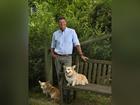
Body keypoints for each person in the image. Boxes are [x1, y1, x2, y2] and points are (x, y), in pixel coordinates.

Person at [51, 16, 88, 103]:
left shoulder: (72, 32)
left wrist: (81, 55)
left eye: (63, 22)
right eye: (60, 23)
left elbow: (77, 44)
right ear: (58, 24)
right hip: (57, 57)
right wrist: (53, 54)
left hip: (68, 57)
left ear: (66, 23)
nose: (62, 24)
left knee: (70, 76)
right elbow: (52, 45)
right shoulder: (55, 34)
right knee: (59, 76)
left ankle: (69, 96)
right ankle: (62, 96)